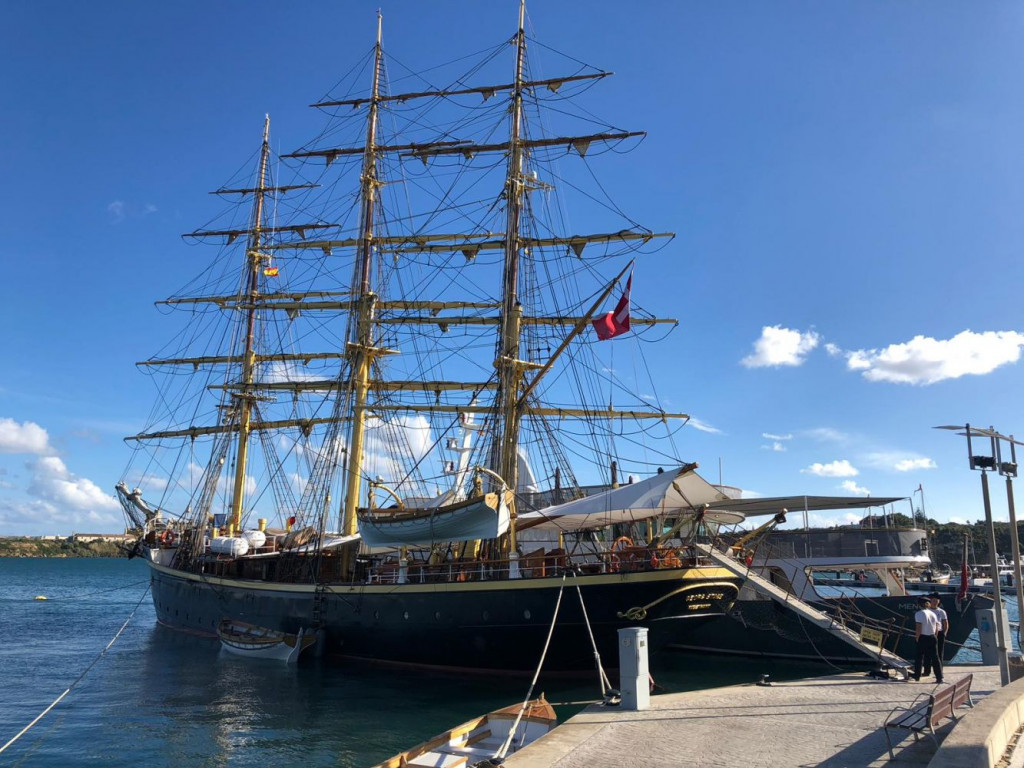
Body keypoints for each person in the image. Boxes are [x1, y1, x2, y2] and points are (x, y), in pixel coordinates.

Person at [913, 596, 942, 683]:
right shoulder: (933, 613)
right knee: (935, 658)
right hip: (933, 636)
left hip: (923, 636)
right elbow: (936, 627)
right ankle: (939, 677)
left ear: (919, 605)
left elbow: (919, 628)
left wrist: (917, 637)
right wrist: (935, 636)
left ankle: (917, 675)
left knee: (919, 657)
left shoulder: (919, 614)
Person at [928, 592, 950, 665]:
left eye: (936, 600)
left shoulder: (941, 611)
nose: (934, 602)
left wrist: (944, 633)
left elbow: (945, 623)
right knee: (928, 651)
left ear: (939, 601)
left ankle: (940, 667)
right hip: (929, 632)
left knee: (939, 651)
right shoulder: (927, 611)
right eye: (933, 600)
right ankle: (927, 669)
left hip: (939, 633)